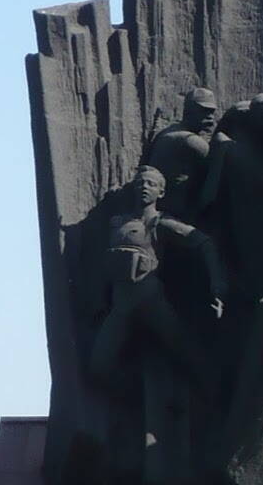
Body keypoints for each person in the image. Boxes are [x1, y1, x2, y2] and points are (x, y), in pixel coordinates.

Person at [90, 165, 225, 389]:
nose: (145, 187)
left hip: (149, 300)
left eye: (151, 184)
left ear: (161, 192)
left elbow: (204, 243)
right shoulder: (118, 222)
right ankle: (153, 392)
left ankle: (213, 388)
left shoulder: (160, 222)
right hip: (121, 303)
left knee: (185, 350)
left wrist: (217, 283)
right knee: (99, 367)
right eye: (140, 183)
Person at [147, 88, 227, 220]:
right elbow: (218, 164)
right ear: (189, 111)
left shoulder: (170, 131)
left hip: (166, 207)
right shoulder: (189, 140)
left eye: (212, 112)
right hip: (175, 212)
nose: (210, 117)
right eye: (204, 111)